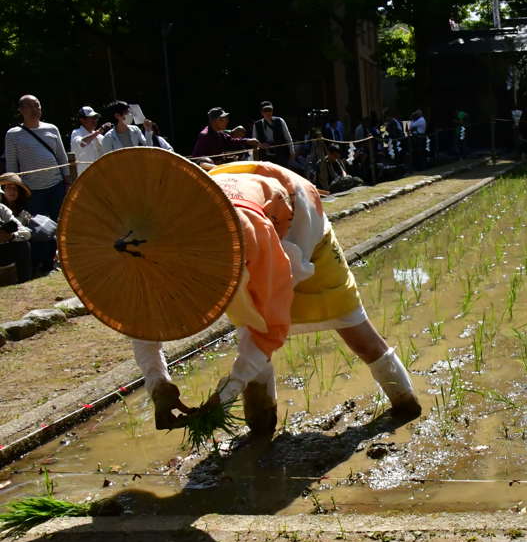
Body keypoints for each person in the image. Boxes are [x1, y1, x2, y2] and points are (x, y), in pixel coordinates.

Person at [106, 158, 423, 435]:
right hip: (243, 212)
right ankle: (261, 427)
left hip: (296, 219)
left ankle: (407, 406)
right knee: (248, 323)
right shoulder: (151, 248)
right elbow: (144, 321)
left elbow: (270, 325)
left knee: (355, 330)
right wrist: (158, 384)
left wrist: (227, 391)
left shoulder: (242, 238)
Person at [4, 95, 70, 221]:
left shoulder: (52, 128)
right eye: (29, 106)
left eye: (37, 105)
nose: (35, 109)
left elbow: (62, 157)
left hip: (57, 186)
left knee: (62, 223)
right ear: (21, 110)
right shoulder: (12, 134)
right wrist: (15, 189)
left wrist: (67, 182)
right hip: (31, 190)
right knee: (38, 228)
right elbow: (11, 165)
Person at [0, 172, 57, 277]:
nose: (11, 191)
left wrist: (12, 235)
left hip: (17, 241)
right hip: (5, 248)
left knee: (48, 238)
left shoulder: (22, 210)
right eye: (8, 188)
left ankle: (45, 268)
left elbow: (26, 232)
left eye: (14, 189)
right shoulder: (2, 209)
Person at [192, 107, 262, 164]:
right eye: (223, 119)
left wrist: (247, 141)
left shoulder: (220, 132)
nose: (227, 121)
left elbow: (230, 141)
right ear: (214, 121)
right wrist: (215, 162)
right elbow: (197, 158)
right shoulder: (204, 135)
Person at [69, 106, 110, 174]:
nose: (95, 120)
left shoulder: (99, 136)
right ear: (82, 119)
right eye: (92, 118)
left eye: (96, 118)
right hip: (84, 177)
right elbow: (82, 143)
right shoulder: (76, 133)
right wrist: (98, 132)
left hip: (101, 175)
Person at [252, 101, 295, 167]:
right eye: (265, 110)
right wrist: (260, 145)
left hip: (281, 154)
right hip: (265, 156)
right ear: (262, 112)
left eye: (270, 110)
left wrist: (292, 151)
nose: (268, 112)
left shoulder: (280, 121)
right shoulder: (257, 124)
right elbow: (254, 141)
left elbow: (288, 137)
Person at [0, 200, 32, 285]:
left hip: (3, 250)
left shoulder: (2, 209)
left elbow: (26, 234)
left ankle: (24, 284)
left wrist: (12, 236)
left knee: (23, 245)